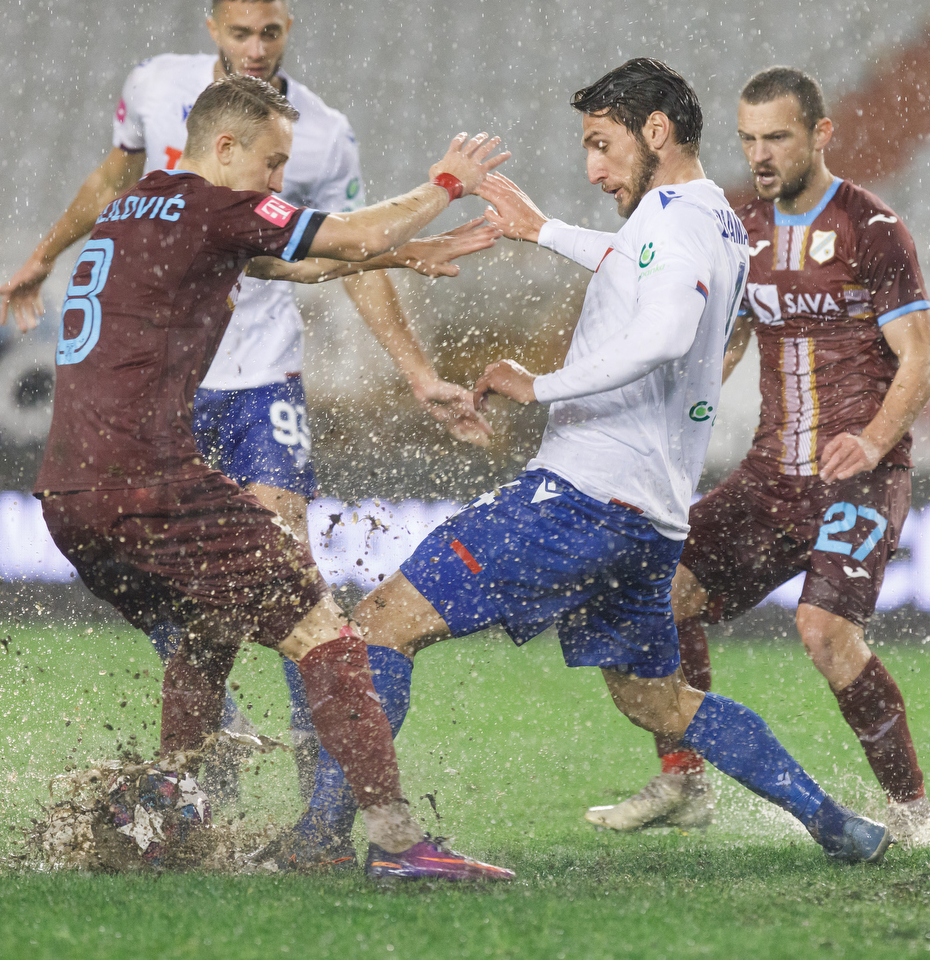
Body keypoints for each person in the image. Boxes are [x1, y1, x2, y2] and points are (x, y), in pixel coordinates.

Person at [350, 58, 892, 865]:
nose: (594, 168)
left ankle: (339, 839)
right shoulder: (711, 219)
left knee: (377, 628)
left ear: (657, 132)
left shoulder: (671, 224)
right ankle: (837, 823)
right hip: (649, 524)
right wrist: (544, 230)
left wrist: (542, 386)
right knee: (659, 700)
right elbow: (642, 265)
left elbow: (666, 329)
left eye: (602, 145)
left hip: (578, 500)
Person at [19, 0, 491, 866]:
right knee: (320, 624)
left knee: (212, 624)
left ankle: (163, 809)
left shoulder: (135, 212)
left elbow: (294, 264)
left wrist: (399, 252)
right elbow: (334, 232)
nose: (280, 176)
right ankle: (395, 839)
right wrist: (445, 181)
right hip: (152, 478)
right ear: (228, 148)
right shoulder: (223, 204)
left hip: (69, 492)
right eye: (273, 162)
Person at [582, 67, 930, 844]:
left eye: (777, 136)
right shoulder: (739, 227)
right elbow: (725, 339)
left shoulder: (872, 229)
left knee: (822, 630)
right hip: (770, 478)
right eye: (748, 139)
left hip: (860, 478)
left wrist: (875, 439)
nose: (760, 153)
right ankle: (684, 780)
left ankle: (914, 813)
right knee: (663, 592)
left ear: (821, 134)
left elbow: (920, 359)